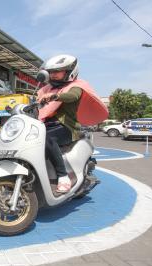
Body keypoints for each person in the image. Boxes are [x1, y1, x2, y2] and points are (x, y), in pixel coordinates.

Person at [36, 54, 108, 193]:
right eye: (51, 72)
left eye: (57, 72)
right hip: (45, 126)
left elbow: (72, 96)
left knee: (47, 139)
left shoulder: (77, 86)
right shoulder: (46, 89)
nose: (53, 75)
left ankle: (63, 177)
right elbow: (36, 103)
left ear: (69, 72)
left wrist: (56, 96)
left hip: (67, 127)